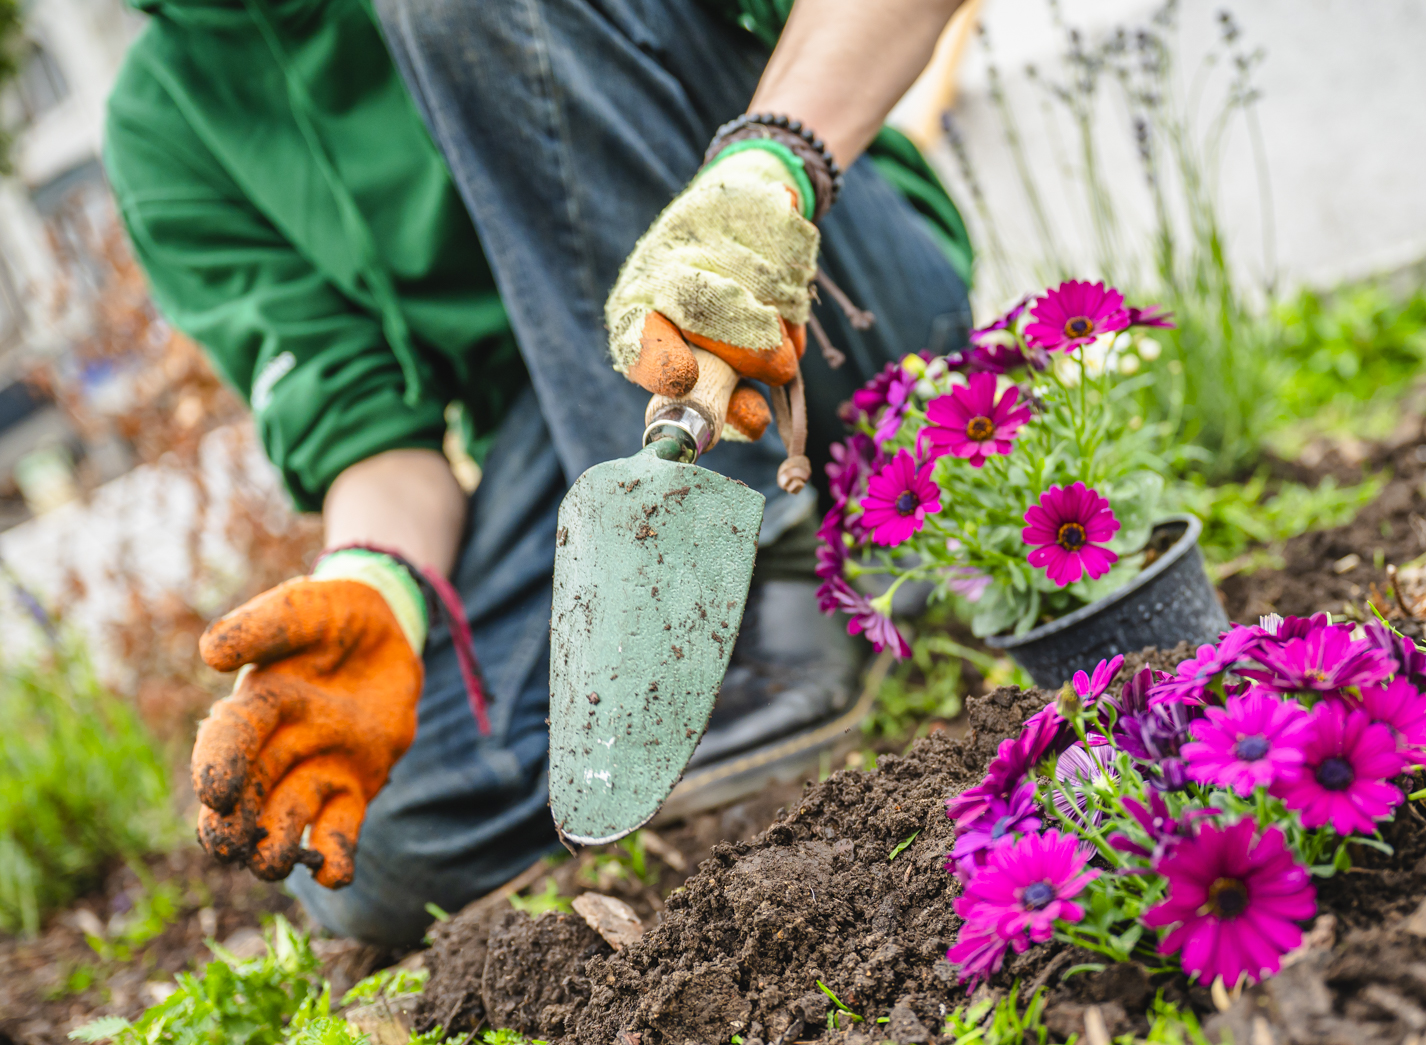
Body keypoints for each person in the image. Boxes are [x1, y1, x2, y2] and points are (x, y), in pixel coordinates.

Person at [105, 0, 974, 946]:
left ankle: (775, 565)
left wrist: (766, 176)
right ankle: (813, 593)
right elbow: (369, 431)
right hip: (587, 413)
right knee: (391, 844)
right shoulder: (166, 117)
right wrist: (374, 585)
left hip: (816, 271)